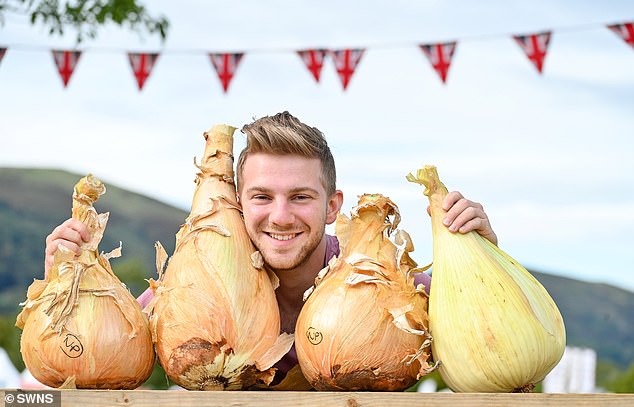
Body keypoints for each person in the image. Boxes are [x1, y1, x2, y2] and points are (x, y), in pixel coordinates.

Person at [44, 111, 498, 384]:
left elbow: (498, 350)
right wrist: (62, 287)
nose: (280, 216)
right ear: (238, 203)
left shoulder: (391, 285)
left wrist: (483, 261)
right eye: (261, 197)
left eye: (301, 196)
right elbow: (95, 356)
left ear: (331, 206)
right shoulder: (193, 286)